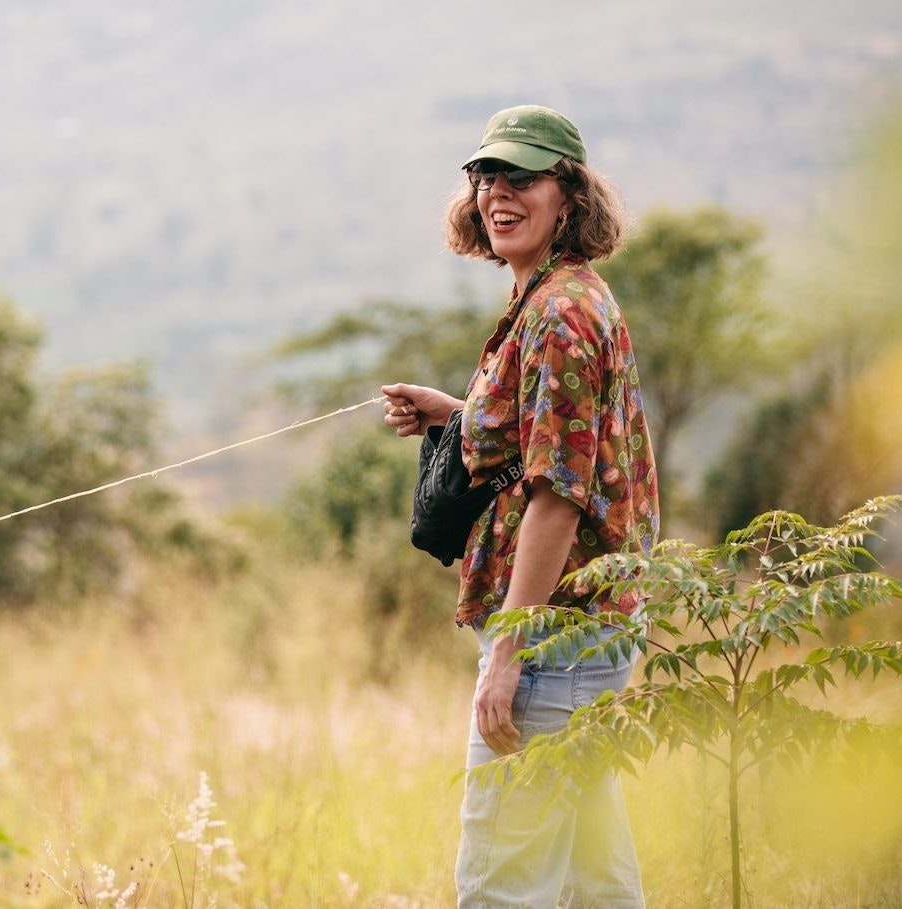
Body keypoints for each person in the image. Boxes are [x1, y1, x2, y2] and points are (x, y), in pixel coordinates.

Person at [379, 105, 659, 907]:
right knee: (592, 884)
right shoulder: (551, 296)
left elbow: (559, 497)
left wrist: (508, 653)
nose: (499, 194)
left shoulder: (563, 314)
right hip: (586, 635)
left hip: (552, 646)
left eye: (522, 178)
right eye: (486, 177)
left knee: (503, 888)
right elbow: (549, 439)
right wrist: (455, 414)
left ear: (568, 195)